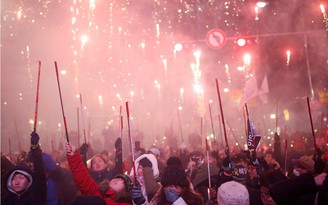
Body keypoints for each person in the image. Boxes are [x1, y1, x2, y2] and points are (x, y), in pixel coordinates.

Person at [66, 142, 132, 205]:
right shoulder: (97, 191)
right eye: (94, 162)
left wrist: (119, 153)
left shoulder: (124, 203)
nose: (116, 179)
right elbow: (82, 176)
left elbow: (118, 167)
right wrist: (73, 155)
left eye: (121, 180)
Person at [1, 131, 47, 205]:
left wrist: (35, 148)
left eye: (21, 178)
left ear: (29, 181)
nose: (17, 182)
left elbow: (40, 172)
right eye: (13, 178)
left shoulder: (36, 196)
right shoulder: (5, 199)